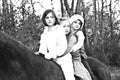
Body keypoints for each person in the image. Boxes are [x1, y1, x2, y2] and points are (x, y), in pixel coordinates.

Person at [35, 9, 75, 80]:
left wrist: (50, 55)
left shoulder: (59, 30)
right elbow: (43, 48)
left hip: (63, 60)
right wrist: (41, 54)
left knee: (69, 78)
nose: (49, 19)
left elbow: (62, 47)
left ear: (55, 19)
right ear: (44, 20)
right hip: (51, 59)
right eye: (47, 18)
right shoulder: (44, 34)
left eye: (52, 17)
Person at [68, 14, 92, 80]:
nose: (77, 25)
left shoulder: (79, 33)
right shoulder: (68, 32)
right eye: (75, 22)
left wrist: (73, 49)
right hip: (68, 55)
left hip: (78, 55)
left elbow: (80, 43)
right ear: (71, 23)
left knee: (84, 73)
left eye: (79, 23)